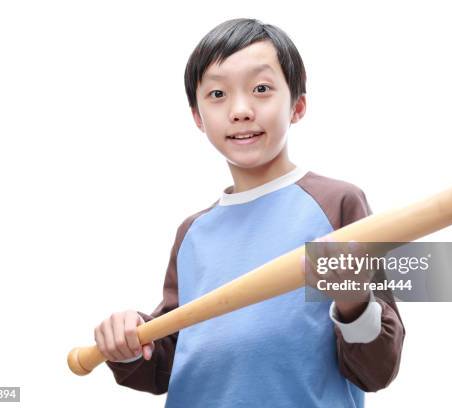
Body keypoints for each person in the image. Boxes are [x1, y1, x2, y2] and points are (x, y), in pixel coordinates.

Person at [94, 18, 405, 408]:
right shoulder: (193, 233)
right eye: (218, 94)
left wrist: (355, 302)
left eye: (261, 89)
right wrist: (128, 342)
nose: (240, 110)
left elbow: (377, 370)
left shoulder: (337, 204)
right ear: (197, 116)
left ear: (298, 105)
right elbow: (168, 362)